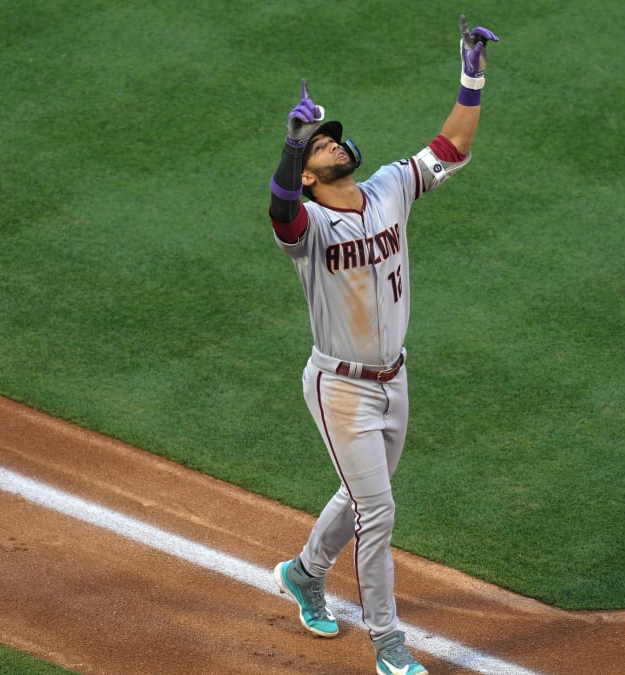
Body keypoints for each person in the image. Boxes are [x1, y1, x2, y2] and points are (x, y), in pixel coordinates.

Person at [267, 14, 499, 675]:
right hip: (339, 386)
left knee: (364, 494)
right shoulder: (306, 226)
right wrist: (290, 147)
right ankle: (389, 645)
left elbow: (450, 144)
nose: (335, 146)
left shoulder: (390, 187)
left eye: (333, 141)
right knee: (378, 510)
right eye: (322, 148)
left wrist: (471, 76)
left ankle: (306, 573)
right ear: (309, 174)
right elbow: (279, 206)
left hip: (394, 378)